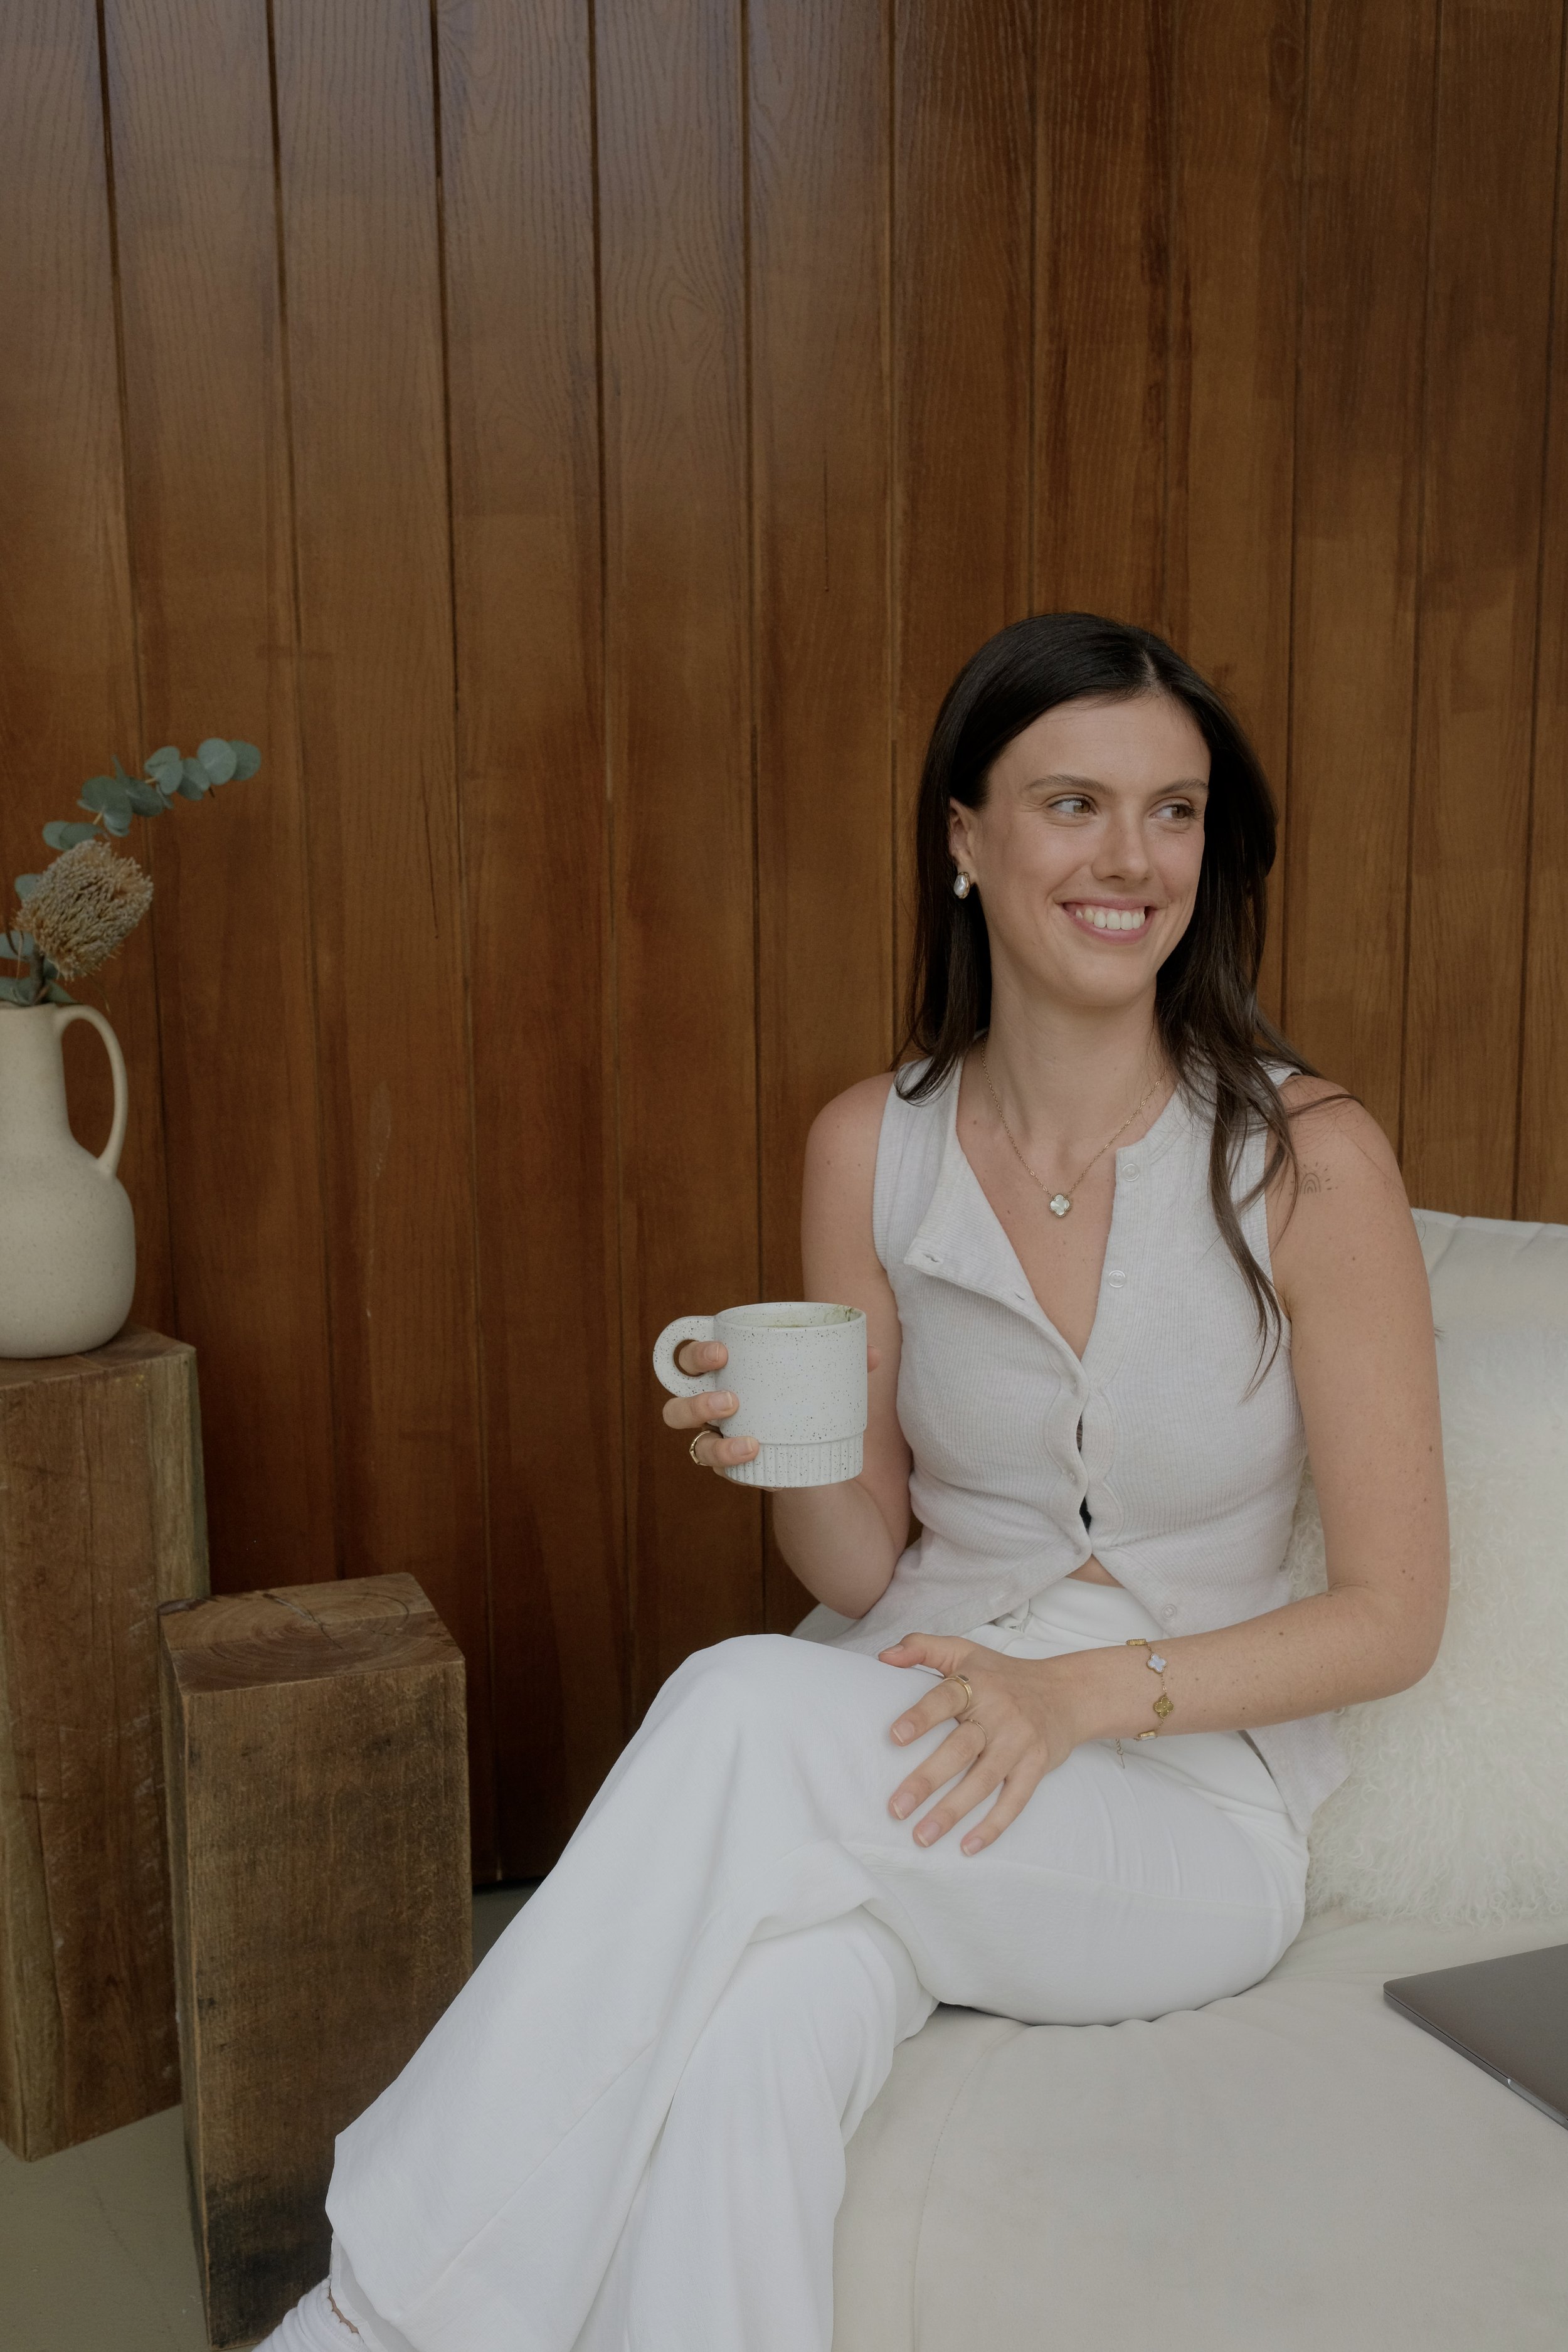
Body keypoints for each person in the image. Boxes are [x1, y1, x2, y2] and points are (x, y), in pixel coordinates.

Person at [262, 611, 1448, 2352]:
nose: (1132, 859)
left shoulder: (1306, 1162)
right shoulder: (865, 1144)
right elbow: (857, 1549)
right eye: (1072, 804)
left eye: (1174, 812)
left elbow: (1393, 1615)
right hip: (896, 1738)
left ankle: (372, 2320)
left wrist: (1069, 1698)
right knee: (758, 2036)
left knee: (738, 1705)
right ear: (962, 842)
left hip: (1179, 1813)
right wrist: (777, 1454)